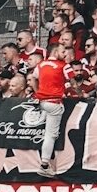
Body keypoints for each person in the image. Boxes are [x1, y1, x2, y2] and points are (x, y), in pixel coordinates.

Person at [34, 45, 68, 176]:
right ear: (55, 51)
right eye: (63, 51)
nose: (64, 54)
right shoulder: (62, 65)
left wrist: (38, 93)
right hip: (54, 103)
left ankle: (45, 162)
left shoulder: (41, 65)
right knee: (50, 135)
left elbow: (33, 78)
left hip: (41, 102)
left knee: (45, 133)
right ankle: (44, 164)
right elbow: (73, 80)